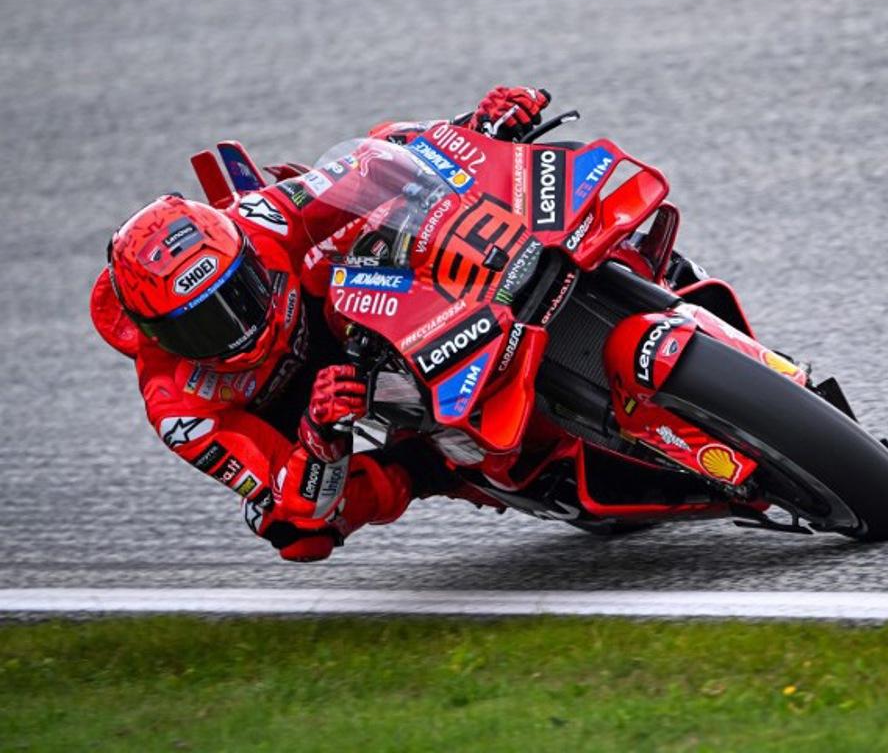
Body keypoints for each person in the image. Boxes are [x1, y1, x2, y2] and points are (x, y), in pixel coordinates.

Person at [89, 86, 551, 562]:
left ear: (247, 255)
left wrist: (473, 129)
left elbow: (369, 167)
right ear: (155, 335)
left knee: (386, 163)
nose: (237, 329)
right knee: (294, 531)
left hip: (345, 313)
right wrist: (319, 436)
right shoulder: (177, 408)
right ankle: (434, 469)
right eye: (200, 326)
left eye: (239, 293)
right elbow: (291, 498)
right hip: (307, 415)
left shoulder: (260, 221)